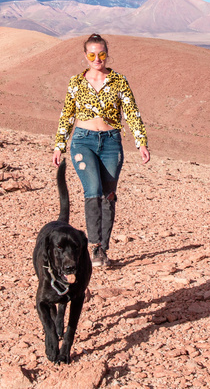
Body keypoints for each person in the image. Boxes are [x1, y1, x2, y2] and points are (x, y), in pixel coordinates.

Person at [52, 33, 151, 267]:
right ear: (85, 56)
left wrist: (141, 142)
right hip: (83, 141)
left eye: (102, 54)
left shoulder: (119, 80)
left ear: (107, 54)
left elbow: (132, 112)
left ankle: (101, 250)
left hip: (111, 142)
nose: (98, 59)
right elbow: (67, 115)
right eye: (93, 54)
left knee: (108, 196)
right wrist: (59, 145)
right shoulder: (76, 82)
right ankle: (92, 245)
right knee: (93, 190)